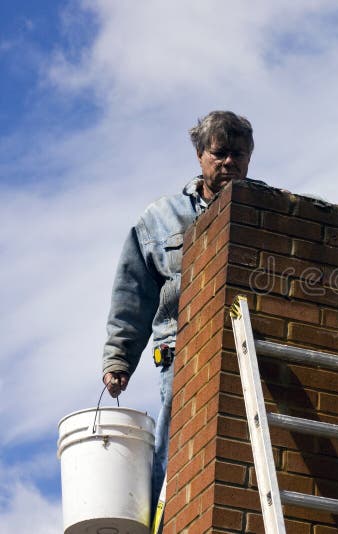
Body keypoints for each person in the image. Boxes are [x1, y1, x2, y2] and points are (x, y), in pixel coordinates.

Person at [101, 110, 254, 524]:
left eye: (237, 154)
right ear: (201, 156)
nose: (228, 163)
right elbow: (133, 292)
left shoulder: (261, 210)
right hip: (180, 347)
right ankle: (162, 522)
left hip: (247, 341)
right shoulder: (161, 219)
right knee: (177, 439)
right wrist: (119, 358)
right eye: (219, 154)